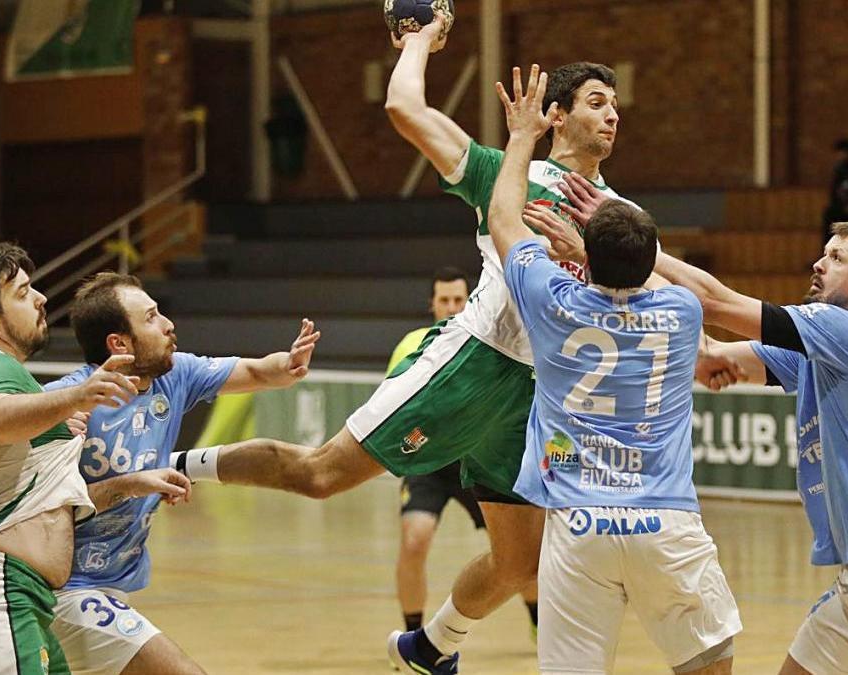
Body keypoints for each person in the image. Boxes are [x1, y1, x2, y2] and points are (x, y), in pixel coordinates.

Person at [168, 19, 646, 674]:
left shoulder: (619, 214)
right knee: (319, 476)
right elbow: (404, 109)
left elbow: (657, 291)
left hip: (538, 396)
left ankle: (428, 646)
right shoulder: (505, 172)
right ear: (556, 115)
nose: (612, 114)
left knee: (520, 563)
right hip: (475, 364)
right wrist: (419, 39)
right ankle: (169, 459)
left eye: (616, 104)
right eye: (597, 101)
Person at [535, 188, 848, 675]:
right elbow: (712, 358)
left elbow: (716, 303)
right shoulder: (820, 355)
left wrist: (640, 251)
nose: (819, 264)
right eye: (823, 253)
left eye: (837, 258)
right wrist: (612, 271)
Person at [488, 64, 741, 675]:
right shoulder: (681, 313)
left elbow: (502, 218)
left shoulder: (551, 303)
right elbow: (691, 288)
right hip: (666, 521)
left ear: (583, 257)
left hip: (579, 525)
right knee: (710, 662)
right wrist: (596, 245)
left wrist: (521, 138)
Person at [41, 272, 319, 675]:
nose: (168, 324)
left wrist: (288, 363)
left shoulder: (174, 377)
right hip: (60, 591)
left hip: (112, 588)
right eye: (151, 317)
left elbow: (259, 372)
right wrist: (131, 485)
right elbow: (36, 511)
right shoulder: (65, 403)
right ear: (119, 344)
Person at [0, 243, 141, 675]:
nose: (40, 297)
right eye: (22, 293)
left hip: (17, 590)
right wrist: (76, 395)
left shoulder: (7, 379)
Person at [388, 267, 540, 638]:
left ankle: (539, 623)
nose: (452, 307)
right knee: (415, 537)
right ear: (432, 305)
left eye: (459, 299)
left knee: (517, 553)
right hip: (431, 463)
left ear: (470, 299)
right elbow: (395, 405)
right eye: (444, 300)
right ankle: (414, 633)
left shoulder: (491, 340)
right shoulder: (413, 344)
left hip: (480, 461)